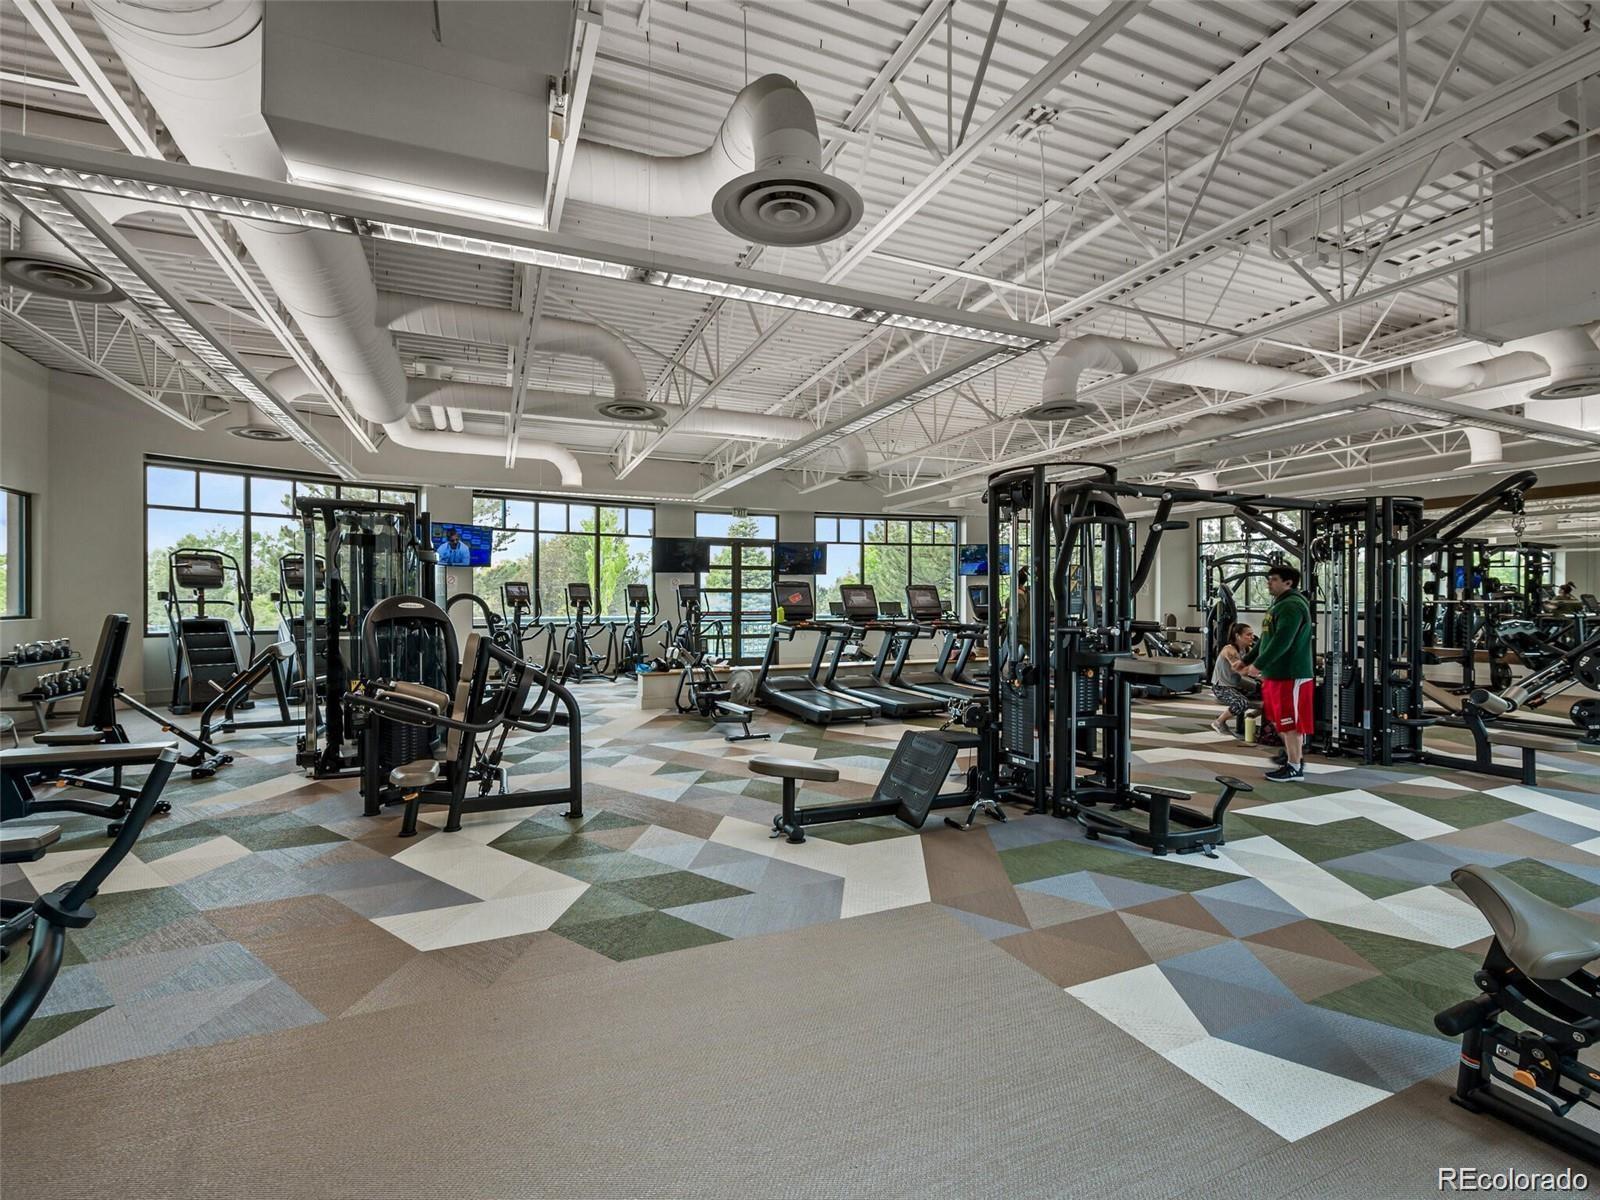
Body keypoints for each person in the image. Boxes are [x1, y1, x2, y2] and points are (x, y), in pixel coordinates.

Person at [1242, 562, 1314, 781]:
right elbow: (1266, 639)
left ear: (1288, 582)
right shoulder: (1277, 606)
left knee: (1290, 722)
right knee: (1278, 719)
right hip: (1276, 674)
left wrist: (1258, 665)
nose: (1268, 584)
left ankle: (1294, 767)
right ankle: (1293, 757)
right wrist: (1246, 660)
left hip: (1290, 674)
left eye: (1273, 579)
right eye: (1268, 579)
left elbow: (1282, 641)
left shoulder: (1291, 605)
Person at [1209, 623, 1261, 737]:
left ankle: (1250, 717)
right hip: (1222, 687)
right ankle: (1219, 722)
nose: (1252, 637)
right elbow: (1241, 670)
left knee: (1270, 696)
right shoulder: (1229, 650)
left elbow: (1257, 666)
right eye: (1248, 634)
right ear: (1238, 636)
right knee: (1241, 702)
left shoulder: (1248, 650)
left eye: (1252, 634)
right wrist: (1256, 672)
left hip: (1239, 686)